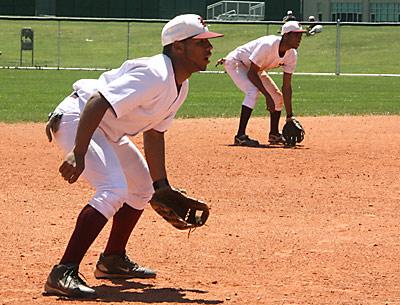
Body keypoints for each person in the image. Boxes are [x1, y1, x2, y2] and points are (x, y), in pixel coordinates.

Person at [43, 14, 223, 299]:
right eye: (200, 42)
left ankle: (112, 260)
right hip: (79, 119)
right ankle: (63, 271)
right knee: (113, 188)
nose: (209, 49)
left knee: (142, 190)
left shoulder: (180, 84)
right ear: (178, 47)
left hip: (105, 129)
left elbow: (154, 133)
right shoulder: (154, 73)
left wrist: (161, 186)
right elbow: (97, 100)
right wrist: (78, 152)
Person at [220, 21, 306, 146]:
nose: (300, 38)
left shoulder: (292, 54)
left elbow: (286, 86)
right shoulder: (268, 45)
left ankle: (274, 134)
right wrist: (267, 96)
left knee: (277, 97)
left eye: (300, 35)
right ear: (286, 35)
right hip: (236, 62)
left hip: (254, 68)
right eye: (296, 35)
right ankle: (240, 136)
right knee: (252, 91)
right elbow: (251, 74)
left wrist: (289, 116)